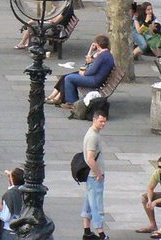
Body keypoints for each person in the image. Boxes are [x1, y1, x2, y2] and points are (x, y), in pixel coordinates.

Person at [45, 35, 115, 107]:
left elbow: (92, 71)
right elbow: (89, 63)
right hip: (97, 78)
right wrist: (91, 50)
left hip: (95, 80)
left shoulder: (102, 56)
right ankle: (58, 97)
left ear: (97, 44)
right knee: (67, 76)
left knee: (69, 78)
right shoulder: (106, 54)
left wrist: (84, 73)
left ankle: (71, 102)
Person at [81, 111, 109, 240]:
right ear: (94, 120)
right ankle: (101, 233)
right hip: (94, 176)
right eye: (101, 121)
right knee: (97, 205)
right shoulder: (93, 136)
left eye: (104, 121)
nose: (103, 124)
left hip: (91, 175)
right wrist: (98, 174)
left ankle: (87, 231)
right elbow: (90, 158)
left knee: (88, 202)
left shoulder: (93, 133)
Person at [0, 168, 25, 240]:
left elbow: (5, 217)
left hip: (9, 231)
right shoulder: (25, 191)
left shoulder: (9, 194)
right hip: (22, 230)